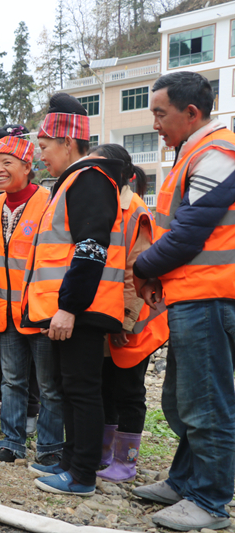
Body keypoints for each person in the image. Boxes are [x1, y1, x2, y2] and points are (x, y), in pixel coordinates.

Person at [132, 72, 235, 531]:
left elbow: (190, 232)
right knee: (183, 397)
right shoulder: (193, 152)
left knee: (206, 400)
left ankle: (211, 502)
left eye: (160, 113)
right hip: (192, 292)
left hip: (211, 294)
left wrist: (142, 268)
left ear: (191, 112)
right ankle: (184, 481)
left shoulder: (216, 151)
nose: (155, 122)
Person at [22, 93, 125, 496]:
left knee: (82, 389)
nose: (41, 156)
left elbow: (90, 248)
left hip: (82, 309)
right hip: (69, 309)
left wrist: (69, 307)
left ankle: (82, 475)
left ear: (68, 143)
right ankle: (69, 460)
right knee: (70, 387)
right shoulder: (70, 184)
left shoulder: (90, 180)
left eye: (45, 148)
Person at [84, 144, 169, 485]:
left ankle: (126, 461)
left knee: (129, 392)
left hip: (133, 321)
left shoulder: (134, 211)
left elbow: (137, 270)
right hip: (110, 316)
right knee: (106, 386)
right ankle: (106, 455)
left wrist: (124, 319)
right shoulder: (109, 206)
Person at [0, 126, 63, 467]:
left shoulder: (48, 203)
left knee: (48, 386)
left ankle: (48, 449)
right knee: (12, 383)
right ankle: (11, 443)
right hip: (7, 310)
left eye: (7, 163)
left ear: (28, 166)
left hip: (42, 311)